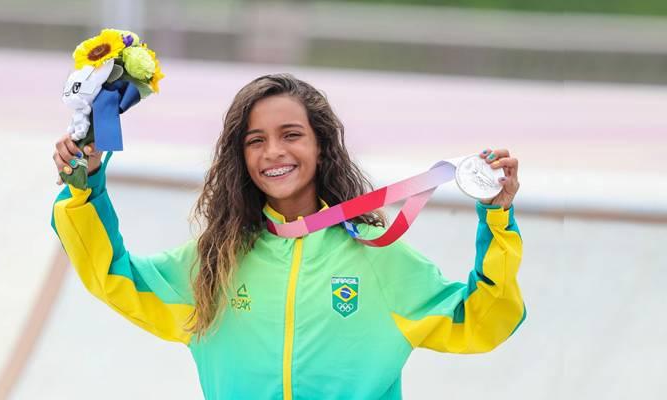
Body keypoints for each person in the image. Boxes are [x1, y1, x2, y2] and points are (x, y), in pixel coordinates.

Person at [51, 73, 525, 399]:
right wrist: (85, 185)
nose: (273, 151)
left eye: (291, 134)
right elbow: (113, 275)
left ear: (322, 146)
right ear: (242, 157)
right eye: (256, 140)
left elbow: (483, 320)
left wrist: (497, 217)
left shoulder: (377, 259)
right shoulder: (214, 261)